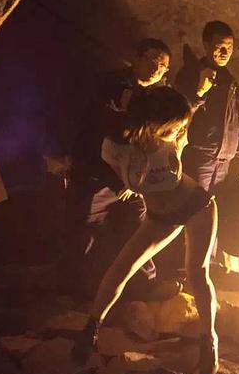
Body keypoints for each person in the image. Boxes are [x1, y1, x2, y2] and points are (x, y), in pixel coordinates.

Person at [74, 87, 220, 374]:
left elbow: (185, 113)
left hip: (196, 206)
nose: (179, 130)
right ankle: (90, 330)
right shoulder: (117, 147)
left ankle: (209, 341)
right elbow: (110, 166)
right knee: (122, 267)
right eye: (175, 125)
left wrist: (198, 95)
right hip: (160, 217)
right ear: (155, 122)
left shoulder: (173, 139)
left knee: (197, 273)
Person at [61, 38, 179, 300]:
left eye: (163, 66)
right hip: (98, 175)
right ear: (136, 57)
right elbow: (99, 134)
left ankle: (145, 288)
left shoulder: (158, 97)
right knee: (84, 234)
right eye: (152, 60)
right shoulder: (111, 86)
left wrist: (137, 180)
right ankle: (76, 292)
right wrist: (120, 179)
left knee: (139, 233)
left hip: (132, 182)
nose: (156, 69)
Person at [175, 21, 239, 192]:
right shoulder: (191, 74)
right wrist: (200, 91)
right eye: (220, 47)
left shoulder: (230, 81)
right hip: (199, 157)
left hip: (224, 162)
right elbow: (178, 114)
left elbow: (237, 121)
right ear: (206, 45)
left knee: (214, 205)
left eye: (229, 47)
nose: (225, 52)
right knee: (195, 203)